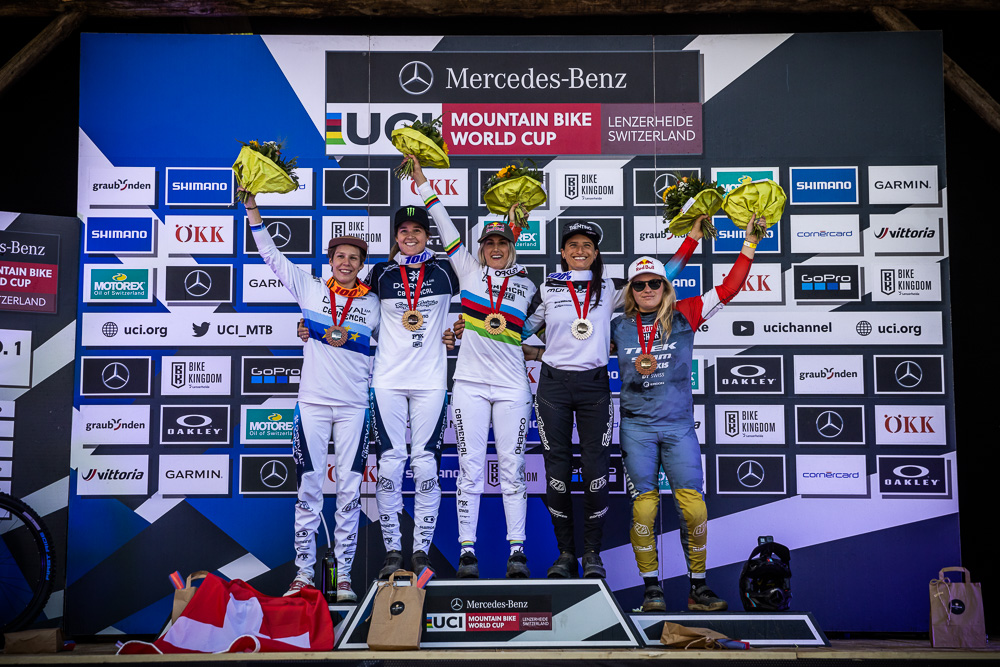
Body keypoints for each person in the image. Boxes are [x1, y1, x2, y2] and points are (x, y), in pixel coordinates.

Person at [523, 219, 700, 579]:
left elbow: (663, 275)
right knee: (557, 473)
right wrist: (540, 352)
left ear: (596, 252)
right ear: (562, 252)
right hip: (553, 388)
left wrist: (692, 239)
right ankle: (565, 554)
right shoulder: (547, 288)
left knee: (595, 472)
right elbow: (518, 328)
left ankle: (592, 553)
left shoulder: (610, 287)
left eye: (587, 245)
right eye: (573, 245)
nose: (580, 251)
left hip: (594, 387)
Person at [611, 216, 761, 612]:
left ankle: (698, 587)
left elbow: (730, 288)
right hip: (637, 428)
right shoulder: (617, 325)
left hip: (678, 427)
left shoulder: (687, 313)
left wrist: (748, 244)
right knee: (644, 508)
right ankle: (651, 590)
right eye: (639, 285)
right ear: (630, 291)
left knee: (694, 509)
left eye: (654, 283)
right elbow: (568, 346)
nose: (647, 290)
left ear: (665, 286)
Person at [243, 190, 377, 602]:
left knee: (350, 492)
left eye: (354, 258)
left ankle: (343, 578)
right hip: (313, 403)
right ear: (330, 260)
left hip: (355, 406)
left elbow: (403, 341)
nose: (346, 263)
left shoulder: (374, 303)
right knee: (308, 489)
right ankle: (303, 573)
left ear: (361, 265)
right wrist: (252, 210)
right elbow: (271, 256)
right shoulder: (310, 287)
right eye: (340, 256)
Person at [407, 155, 536, 578]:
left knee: (513, 470)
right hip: (469, 385)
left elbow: (543, 327)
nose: (495, 248)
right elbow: (442, 221)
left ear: (512, 246)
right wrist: (422, 181)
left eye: (503, 243)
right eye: (489, 243)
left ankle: (517, 552)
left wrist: (536, 351)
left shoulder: (528, 284)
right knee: (470, 469)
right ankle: (468, 552)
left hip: (513, 387)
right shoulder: (468, 271)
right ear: (480, 249)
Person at [366, 185, 460, 578]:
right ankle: (392, 549)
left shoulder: (446, 271)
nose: (410, 236)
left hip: (431, 381)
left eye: (417, 230)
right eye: (403, 231)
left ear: (427, 234)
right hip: (387, 380)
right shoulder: (380, 273)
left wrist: (458, 329)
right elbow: (358, 317)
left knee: (425, 466)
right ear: (395, 236)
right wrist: (316, 330)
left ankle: (420, 549)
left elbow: (486, 292)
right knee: (390, 465)